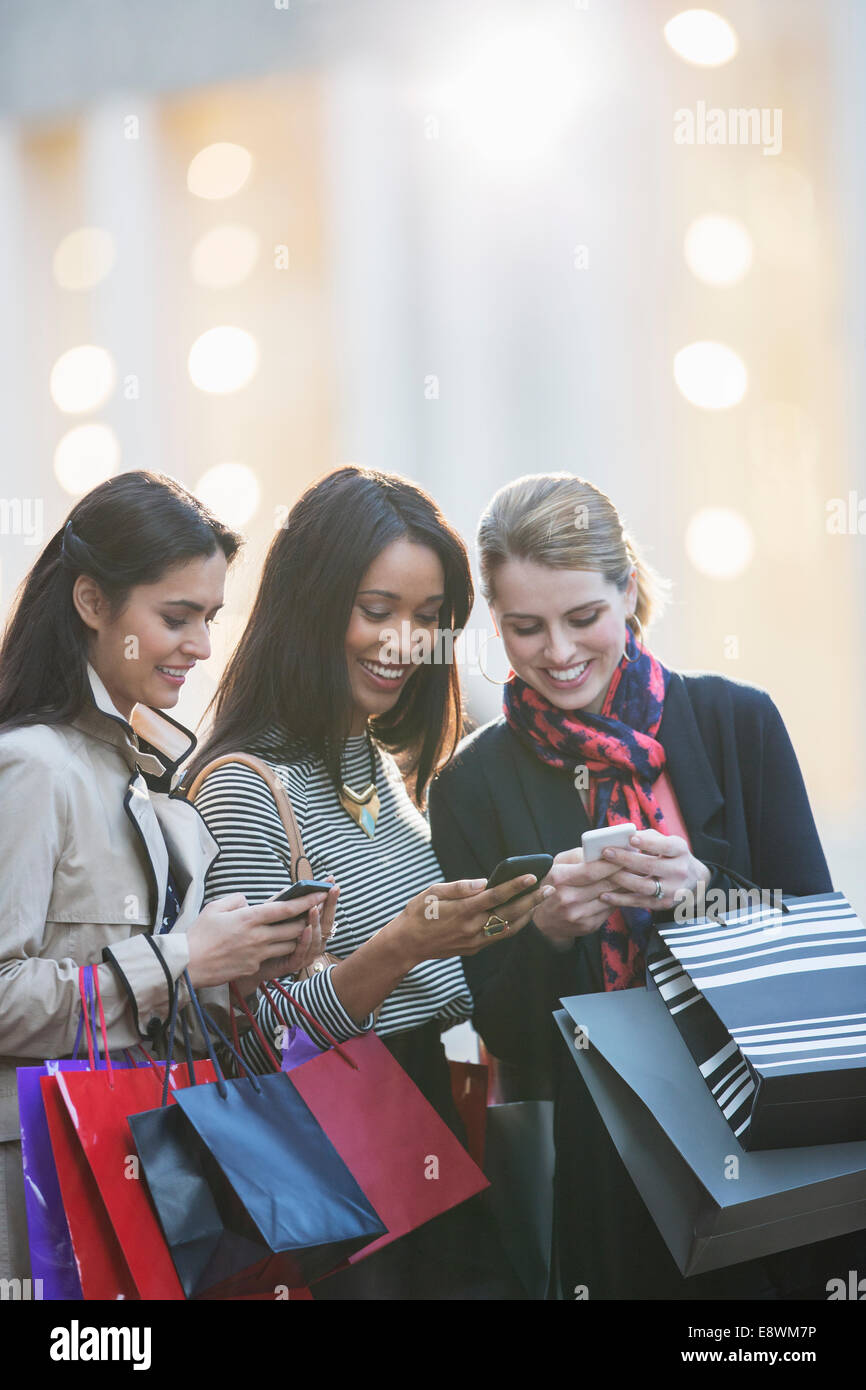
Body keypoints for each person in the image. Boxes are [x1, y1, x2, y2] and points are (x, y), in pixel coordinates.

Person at [427, 471, 864, 1300]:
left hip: (772, 1144)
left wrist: (703, 890)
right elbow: (507, 1034)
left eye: (582, 617)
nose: (558, 653)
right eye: (525, 628)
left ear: (627, 591)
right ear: (495, 620)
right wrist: (548, 931)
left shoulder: (738, 723)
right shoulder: (469, 788)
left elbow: (821, 968)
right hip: (606, 1174)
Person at [186, 463, 548, 1299]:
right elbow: (256, 1040)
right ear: (311, 604)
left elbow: (440, 987)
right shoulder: (246, 786)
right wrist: (400, 946)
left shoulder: (382, 764)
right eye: (377, 610)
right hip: (329, 1169)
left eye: (427, 617)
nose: (403, 642)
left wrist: (533, 914)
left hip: (426, 1128)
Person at [0, 470, 330, 1283]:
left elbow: (136, 1013)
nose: (202, 647)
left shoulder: (139, 773)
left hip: (131, 1166)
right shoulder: (32, 767)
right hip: (36, 1185)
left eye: (209, 619)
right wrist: (186, 958)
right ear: (91, 602)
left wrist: (245, 967)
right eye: (176, 617)